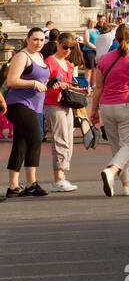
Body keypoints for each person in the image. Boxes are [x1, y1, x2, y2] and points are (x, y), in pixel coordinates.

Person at [90, 23, 129, 197]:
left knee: (118, 147)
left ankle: (127, 186)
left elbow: (98, 87)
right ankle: (111, 171)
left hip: (107, 106)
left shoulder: (104, 59)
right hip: (128, 104)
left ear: (115, 39)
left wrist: (94, 110)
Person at [5, 28, 51, 197]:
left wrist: (51, 84)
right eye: (35, 39)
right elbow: (12, 80)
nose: (38, 43)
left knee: (21, 142)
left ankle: (13, 186)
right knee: (35, 139)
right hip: (18, 104)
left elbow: (40, 80)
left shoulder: (39, 56)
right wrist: (32, 83)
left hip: (34, 105)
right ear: (27, 39)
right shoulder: (22, 56)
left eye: (41, 39)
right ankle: (31, 184)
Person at [44, 33, 79, 192]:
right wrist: (56, 85)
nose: (67, 50)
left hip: (66, 103)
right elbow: (44, 83)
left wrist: (73, 88)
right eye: (65, 47)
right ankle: (58, 178)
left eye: (71, 48)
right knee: (60, 139)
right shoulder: (50, 61)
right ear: (57, 44)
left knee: (68, 139)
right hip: (53, 103)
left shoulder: (68, 63)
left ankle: (62, 175)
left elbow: (70, 83)